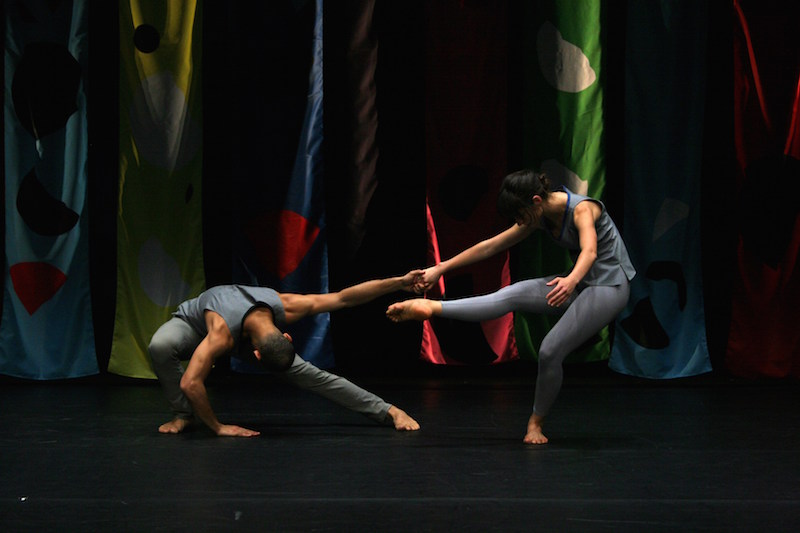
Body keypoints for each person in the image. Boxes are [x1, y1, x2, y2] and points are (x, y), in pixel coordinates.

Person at [387, 169, 635, 444]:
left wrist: (571, 280)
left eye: (520, 215)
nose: (519, 222)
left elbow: (590, 251)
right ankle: (434, 308)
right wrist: (440, 268)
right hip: (579, 281)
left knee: (550, 350)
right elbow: (488, 247)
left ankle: (535, 423)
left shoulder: (581, 210)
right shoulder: (539, 214)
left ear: (537, 201)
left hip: (609, 287)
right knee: (511, 294)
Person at [150, 271, 423, 437]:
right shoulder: (220, 335)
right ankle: (183, 416)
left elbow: (344, 298)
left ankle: (388, 411)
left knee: (314, 376)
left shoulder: (288, 305)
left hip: (243, 331)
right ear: (256, 355)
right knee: (160, 346)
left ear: (286, 336)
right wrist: (218, 427)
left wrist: (399, 282)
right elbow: (190, 382)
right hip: (197, 324)